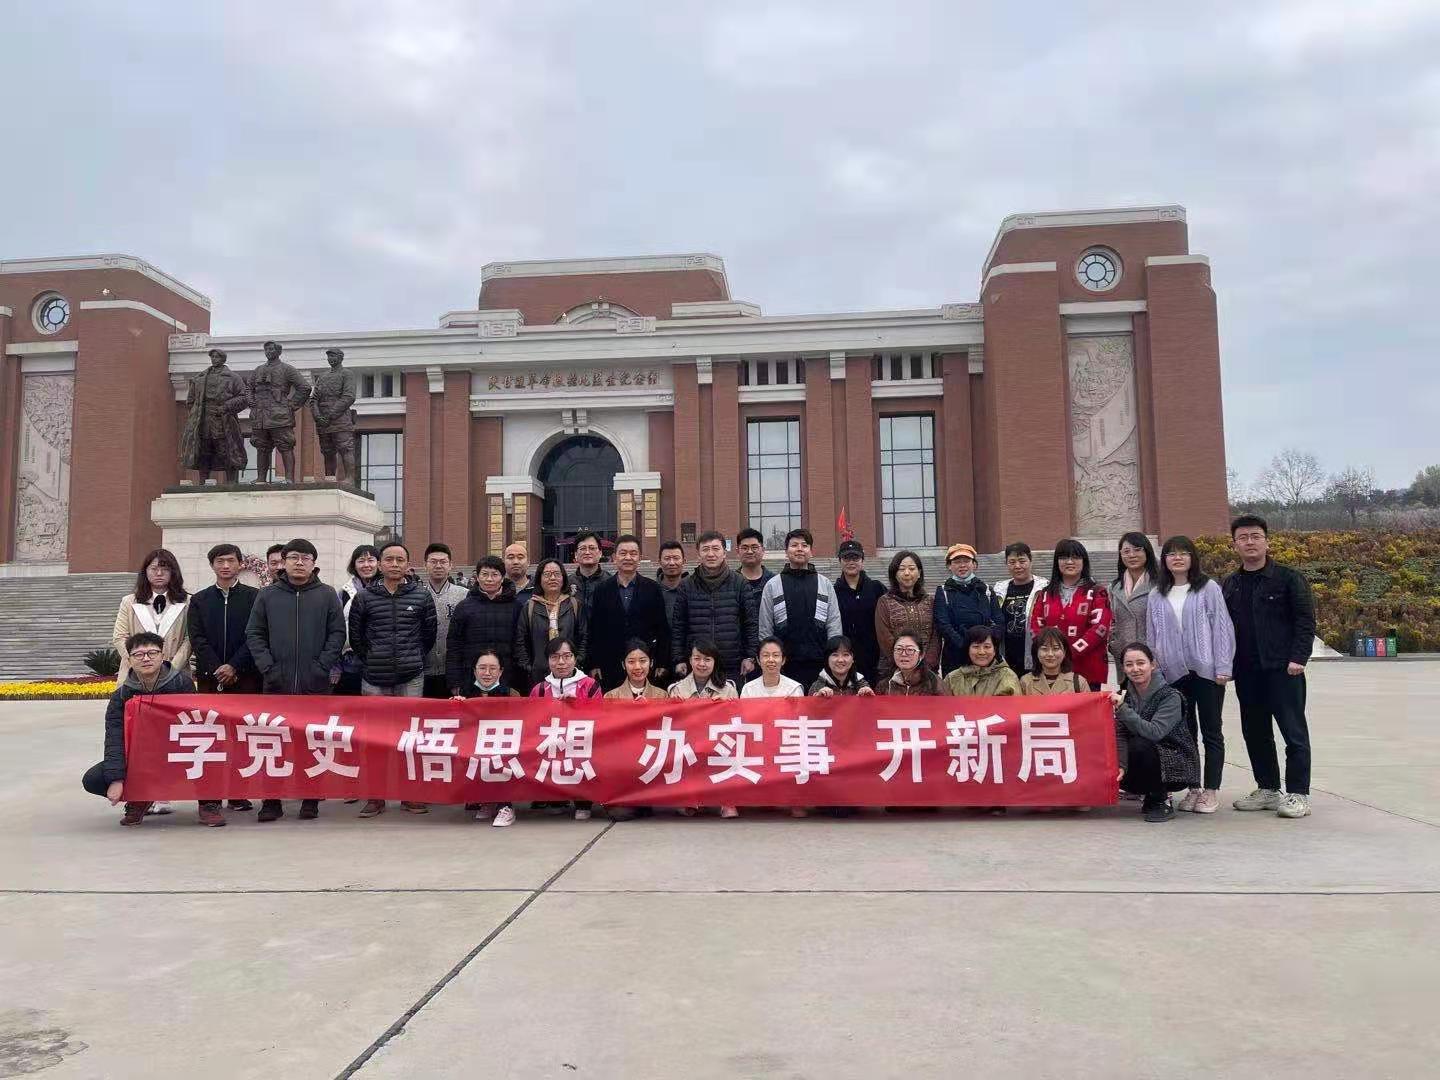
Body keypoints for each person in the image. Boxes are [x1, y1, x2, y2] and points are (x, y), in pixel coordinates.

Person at [244, 537, 346, 822]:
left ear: (314, 564)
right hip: (276, 683)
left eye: (305, 558)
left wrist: (322, 666)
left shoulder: (326, 595)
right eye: (293, 557)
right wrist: (268, 667)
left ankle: (310, 798)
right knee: (273, 742)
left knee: (311, 742)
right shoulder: (268, 595)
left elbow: (337, 633)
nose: (299, 563)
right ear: (284, 562)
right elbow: (254, 633)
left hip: (316, 683)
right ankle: (271, 801)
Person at [1223, 515, 1316, 819]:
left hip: (1283, 669)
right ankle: (1268, 788)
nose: (1249, 542)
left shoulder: (1289, 578)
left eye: (1255, 536)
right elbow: (1224, 629)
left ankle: (1298, 793)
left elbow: (1305, 621)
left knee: (1293, 732)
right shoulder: (1231, 584)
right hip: (1247, 671)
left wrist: (1298, 658)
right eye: (1243, 537)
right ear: (1235, 544)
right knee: (1255, 732)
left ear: (1266, 541)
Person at [81, 632, 223, 826]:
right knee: (94, 779)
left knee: (211, 754)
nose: (146, 658)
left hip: (180, 752)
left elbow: (198, 727)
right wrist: (116, 779)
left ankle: (208, 803)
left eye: (152, 653)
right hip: (142, 758)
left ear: (162, 655)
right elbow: (115, 739)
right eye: (138, 654)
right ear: (129, 659)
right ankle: (140, 798)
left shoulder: (182, 684)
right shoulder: (121, 696)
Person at [349, 541, 438, 818]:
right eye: (389, 559)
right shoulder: (365, 598)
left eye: (400, 560)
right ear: (380, 564)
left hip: (411, 677)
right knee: (375, 740)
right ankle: (376, 797)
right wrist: (372, 658)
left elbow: (428, 636)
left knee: (410, 738)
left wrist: (413, 657)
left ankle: (410, 795)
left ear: (408, 564)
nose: (395, 564)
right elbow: (356, 637)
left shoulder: (421, 596)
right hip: (374, 677)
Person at [1148, 535, 1235, 815]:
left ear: (1192, 558)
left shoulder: (1208, 588)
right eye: (1171, 553)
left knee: (1212, 731)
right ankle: (1193, 787)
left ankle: (1211, 790)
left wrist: (1223, 666)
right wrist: (1156, 670)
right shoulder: (1157, 594)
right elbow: (1152, 636)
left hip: (1207, 671)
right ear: (1164, 560)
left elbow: (1222, 627)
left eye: (1183, 553)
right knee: (1185, 732)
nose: (1177, 558)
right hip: (1173, 673)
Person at [1109, 643, 1201, 823]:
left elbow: (1155, 732)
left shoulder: (1170, 696)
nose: (1135, 669)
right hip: (1142, 757)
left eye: (1140, 663)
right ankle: (1149, 795)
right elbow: (1119, 733)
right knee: (1116, 744)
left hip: (1175, 762)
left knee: (1141, 743)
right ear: (1123, 669)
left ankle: (1161, 799)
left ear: (1152, 665)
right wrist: (1121, 765)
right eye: (1129, 664)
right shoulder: (1123, 695)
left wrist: (1123, 709)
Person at [670, 530, 757, 687]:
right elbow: (678, 626)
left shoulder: (740, 583)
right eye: (705, 549)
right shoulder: (686, 585)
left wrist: (750, 656)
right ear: (698, 554)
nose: (711, 554)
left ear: (724, 553)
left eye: (716, 549)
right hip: (697, 665)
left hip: (731, 664)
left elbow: (750, 623)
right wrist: (679, 658)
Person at [758, 528, 842, 689]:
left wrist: (834, 655)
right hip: (784, 665)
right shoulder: (773, 585)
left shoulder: (824, 584)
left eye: (804, 545)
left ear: (811, 551)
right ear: (786, 551)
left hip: (819, 663)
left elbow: (834, 623)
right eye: (794, 545)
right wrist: (770, 658)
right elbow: (765, 627)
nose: (799, 549)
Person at [528, 636, 601, 821]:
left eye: (567, 656)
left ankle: (583, 801)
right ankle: (555, 798)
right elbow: (531, 722)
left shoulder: (589, 685)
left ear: (575, 658)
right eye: (554, 657)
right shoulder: (540, 689)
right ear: (548, 660)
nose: (561, 662)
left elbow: (601, 717)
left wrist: (578, 706)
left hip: (581, 741)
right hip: (551, 743)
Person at [587, 534, 671, 691]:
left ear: (640, 557)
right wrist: (594, 663)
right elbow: (595, 629)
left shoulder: (652, 588)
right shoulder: (601, 590)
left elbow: (662, 628)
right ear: (614, 557)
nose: (628, 557)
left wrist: (661, 662)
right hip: (610, 663)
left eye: (633, 553)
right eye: (623, 553)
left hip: (644, 663)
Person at [1029, 539, 1113, 690]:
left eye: (1075, 557)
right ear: (1057, 562)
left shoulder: (1097, 592)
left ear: (1084, 561)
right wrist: (1049, 652)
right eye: (1063, 557)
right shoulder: (1045, 594)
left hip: (1088, 667)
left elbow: (1100, 628)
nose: (1069, 561)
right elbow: (1036, 625)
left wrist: (1068, 652)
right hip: (1052, 668)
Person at [453, 649, 520, 828]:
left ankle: (506, 806)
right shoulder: (465, 693)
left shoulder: (511, 694)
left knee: (501, 758)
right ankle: (487, 801)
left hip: (503, 744)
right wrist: (454, 707)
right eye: (482, 668)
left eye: (493, 668)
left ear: (501, 671)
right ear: (474, 671)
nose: (487, 673)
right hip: (474, 743)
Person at [188, 543, 259, 697]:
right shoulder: (199, 599)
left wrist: (234, 666)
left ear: (240, 564)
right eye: (220, 561)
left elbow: (257, 636)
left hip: (246, 674)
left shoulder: (255, 597)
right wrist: (217, 667)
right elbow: (197, 638)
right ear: (211, 565)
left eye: (231, 560)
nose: (225, 566)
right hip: (210, 675)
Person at [112, 548, 190, 687]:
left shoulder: (188, 602)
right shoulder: (129, 602)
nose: (159, 573)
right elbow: (120, 637)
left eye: (165, 569)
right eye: (154, 569)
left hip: (175, 674)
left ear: (173, 572)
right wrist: (139, 661)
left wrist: (169, 669)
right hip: (135, 675)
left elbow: (189, 640)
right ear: (145, 571)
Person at [446, 556, 520, 695]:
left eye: (495, 574)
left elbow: (520, 644)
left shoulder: (516, 607)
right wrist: (454, 681)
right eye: (484, 574)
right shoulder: (464, 607)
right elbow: (454, 645)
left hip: (507, 678)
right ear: (478, 577)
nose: (489, 579)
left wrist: (517, 682)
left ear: (502, 578)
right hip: (470, 679)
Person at [514, 558, 588, 690]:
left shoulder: (574, 605)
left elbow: (584, 637)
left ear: (563, 578)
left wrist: (577, 661)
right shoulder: (530, 606)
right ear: (539, 579)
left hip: (570, 673)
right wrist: (529, 667)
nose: (552, 578)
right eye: (547, 574)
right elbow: (520, 641)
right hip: (538, 675)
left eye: (557, 574)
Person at [934, 542, 1001, 674]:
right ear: (949, 566)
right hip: (955, 656)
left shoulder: (986, 590)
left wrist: (986, 645)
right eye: (957, 562)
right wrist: (965, 645)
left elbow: (999, 620)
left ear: (974, 564)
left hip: (984, 655)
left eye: (966, 561)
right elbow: (943, 624)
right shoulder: (943, 592)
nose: (962, 565)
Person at [874, 550, 939, 681]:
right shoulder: (885, 602)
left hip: (927, 670)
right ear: (894, 574)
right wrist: (904, 661)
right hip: (893, 670)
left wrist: (926, 664)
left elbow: (935, 636)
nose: (907, 573)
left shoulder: (930, 601)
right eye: (901, 569)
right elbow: (884, 637)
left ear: (919, 573)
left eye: (912, 568)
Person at [832, 539, 886, 686]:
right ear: (840, 561)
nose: (851, 562)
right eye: (846, 558)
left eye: (855, 558)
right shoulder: (833, 591)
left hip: (874, 657)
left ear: (862, 561)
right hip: (844, 657)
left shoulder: (876, 588)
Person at [993, 542, 1049, 678]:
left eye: (1022, 561)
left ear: (1030, 561)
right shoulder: (999, 590)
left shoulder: (1044, 588)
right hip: (1007, 654)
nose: (1017, 566)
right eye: (1012, 562)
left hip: (1036, 652)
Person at [1109, 532, 1159, 680]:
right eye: (1126, 551)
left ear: (1147, 552)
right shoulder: (1114, 587)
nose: (1131, 555)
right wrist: (1113, 644)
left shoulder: (1160, 584)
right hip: (1126, 660)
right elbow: (1111, 620)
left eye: (1137, 550)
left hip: (1154, 660)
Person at [420, 542, 468, 698]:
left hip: (453, 672)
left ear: (450, 565)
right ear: (425, 565)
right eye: (433, 562)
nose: (438, 566)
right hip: (421, 672)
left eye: (443, 562)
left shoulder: (464, 595)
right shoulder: (415, 595)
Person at [336, 544, 381, 694]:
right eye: (361, 561)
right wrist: (335, 666)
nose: (366, 565)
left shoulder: (388, 589)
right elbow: (335, 630)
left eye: (371, 560)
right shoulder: (343, 593)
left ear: (379, 563)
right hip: (350, 664)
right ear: (354, 565)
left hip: (381, 665)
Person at [944, 626, 1021, 696]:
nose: (981, 652)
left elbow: (1013, 705)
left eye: (987, 647)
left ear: (994, 650)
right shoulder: (952, 678)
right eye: (976, 646)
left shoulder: (1007, 676)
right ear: (967, 650)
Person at [734, 527, 774, 656]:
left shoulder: (775, 582)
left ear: (763, 550)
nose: (750, 551)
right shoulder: (729, 582)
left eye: (754, 547)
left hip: (769, 651)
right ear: (737, 551)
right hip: (737, 652)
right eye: (745, 548)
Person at [1020, 627, 1090, 694]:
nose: (1050, 654)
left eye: (1056, 648)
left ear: (1064, 652)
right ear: (1036, 652)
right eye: (1044, 649)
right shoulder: (1025, 682)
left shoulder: (1079, 682)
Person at [877, 633, 949, 696]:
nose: (904, 654)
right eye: (899, 649)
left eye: (910, 650)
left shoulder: (934, 684)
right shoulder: (885, 684)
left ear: (921, 655)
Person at [668, 639, 739, 700]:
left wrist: (725, 706)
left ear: (715, 662)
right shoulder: (677, 690)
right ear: (690, 661)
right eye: (697, 658)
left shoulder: (728, 690)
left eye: (707, 659)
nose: (702, 664)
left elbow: (736, 711)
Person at [603, 639, 669, 702]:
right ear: (623, 665)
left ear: (651, 663)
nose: (637, 667)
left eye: (642, 661)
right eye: (631, 661)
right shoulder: (610, 697)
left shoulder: (662, 696)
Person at [808, 636, 875, 697]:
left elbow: (870, 704)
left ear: (853, 659)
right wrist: (818, 698)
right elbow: (810, 704)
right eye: (835, 655)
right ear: (827, 659)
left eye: (846, 654)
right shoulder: (818, 685)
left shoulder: (860, 683)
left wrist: (867, 695)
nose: (840, 660)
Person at [570, 531, 610, 612]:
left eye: (592, 548)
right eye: (583, 548)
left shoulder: (611, 582)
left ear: (600, 553)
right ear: (576, 554)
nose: (587, 552)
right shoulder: (567, 583)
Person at [656, 540, 688, 628]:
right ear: (659, 562)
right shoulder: (651, 591)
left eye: (676, 558)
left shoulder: (694, 590)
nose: (672, 563)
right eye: (667, 558)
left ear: (684, 561)